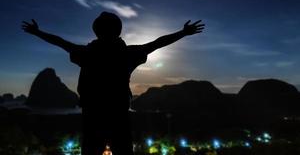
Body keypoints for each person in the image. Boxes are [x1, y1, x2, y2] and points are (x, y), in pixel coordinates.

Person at [22, 11, 204, 155]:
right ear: (118, 31)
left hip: (92, 115)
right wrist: (183, 33)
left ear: (96, 31)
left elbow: (61, 42)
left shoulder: (87, 53)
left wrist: (38, 32)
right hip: (119, 116)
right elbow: (157, 43)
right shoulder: (127, 54)